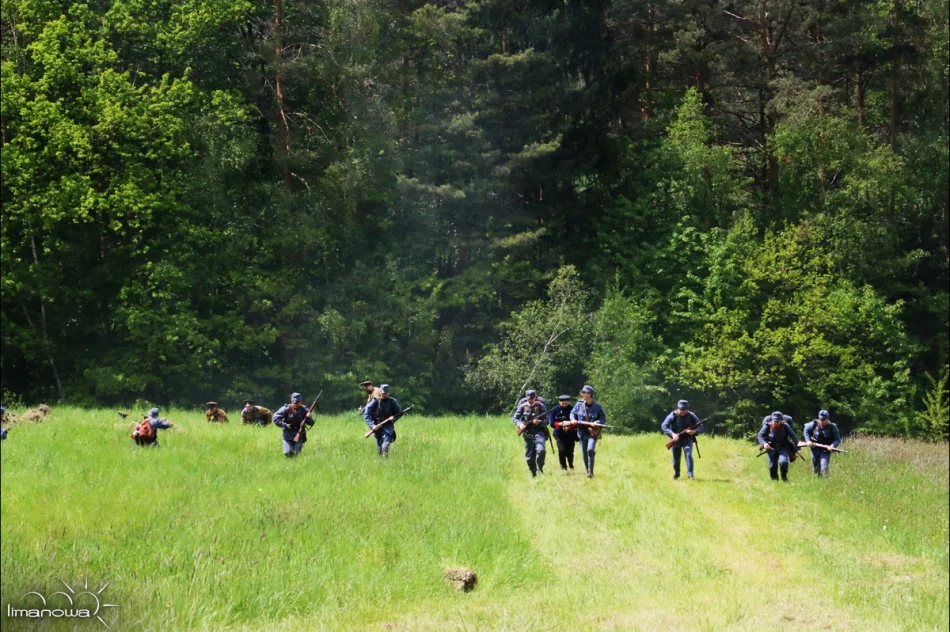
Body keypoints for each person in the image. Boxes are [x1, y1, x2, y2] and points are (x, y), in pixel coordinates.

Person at [661, 399, 704, 480]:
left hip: (687, 439)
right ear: (678, 408)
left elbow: (701, 426)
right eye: (680, 409)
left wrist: (694, 431)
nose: (682, 411)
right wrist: (672, 434)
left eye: (684, 409)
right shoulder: (672, 415)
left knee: (688, 455)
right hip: (676, 440)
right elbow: (664, 426)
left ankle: (690, 475)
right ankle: (677, 474)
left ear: (688, 409)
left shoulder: (691, 415)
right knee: (676, 459)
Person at [571, 385, 607, 478]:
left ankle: (591, 471)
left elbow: (603, 418)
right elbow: (572, 413)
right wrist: (573, 420)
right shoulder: (579, 404)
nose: (582, 394)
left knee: (590, 450)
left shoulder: (597, 407)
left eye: (584, 392)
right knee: (584, 454)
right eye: (582, 392)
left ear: (589, 394)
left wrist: (597, 422)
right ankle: (588, 471)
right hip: (582, 432)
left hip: (592, 433)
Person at [513, 389, 549, 476]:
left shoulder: (541, 406)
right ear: (526, 397)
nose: (530, 400)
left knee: (541, 450)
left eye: (532, 398)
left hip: (539, 431)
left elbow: (547, 419)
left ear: (535, 397)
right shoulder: (522, 406)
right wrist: (520, 425)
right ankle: (533, 471)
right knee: (529, 456)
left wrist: (540, 422)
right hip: (527, 433)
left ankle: (540, 467)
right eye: (529, 398)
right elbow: (515, 418)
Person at [757, 411, 800, 482]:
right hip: (771, 448)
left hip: (783, 447)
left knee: (784, 462)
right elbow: (760, 435)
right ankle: (775, 481)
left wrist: (798, 448)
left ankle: (784, 477)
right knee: (772, 466)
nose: (776, 423)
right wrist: (764, 443)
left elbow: (794, 437)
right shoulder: (767, 425)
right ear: (772, 420)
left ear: (781, 420)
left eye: (778, 421)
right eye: (775, 421)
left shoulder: (786, 426)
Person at [363, 384, 401, 457]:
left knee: (385, 445)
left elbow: (399, 413)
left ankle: (385, 458)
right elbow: (366, 414)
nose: (384, 395)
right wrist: (372, 425)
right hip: (377, 425)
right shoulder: (375, 401)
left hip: (388, 425)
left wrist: (393, 418)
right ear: (380, 392)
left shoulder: (393, 402)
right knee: (379, 446)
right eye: (383, 393)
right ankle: (381, 461)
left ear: (388, 393)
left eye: (385, 393)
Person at [273, 393, 315, 457]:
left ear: (300, 401)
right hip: (288, 434)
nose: (295, 404)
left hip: (299, 433)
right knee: (287, 453)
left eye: (297, 402)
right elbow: (275, 418)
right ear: (291, 401)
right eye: (294, 402)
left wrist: (308, 417)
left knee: (296, 455)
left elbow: (311, 423)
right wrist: (285, 425)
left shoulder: (304, 409)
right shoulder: (286, 408)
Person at [802, 410, 842, 477]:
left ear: (827, 418)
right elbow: (806, 430)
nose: (822, 421)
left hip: (826, 449)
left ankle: (825, 481)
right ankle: (816, 481)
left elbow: (837, 440)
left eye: (823, 419)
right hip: (815, 447)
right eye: (820, 419)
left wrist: (832, 446)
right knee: (816, 467)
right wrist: (808, 440)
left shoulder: (833, 426)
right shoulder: (814, 424)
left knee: (824, 466)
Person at [549, 395, 577, 471]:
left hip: (570, 433)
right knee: (561, 450)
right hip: (559, 433)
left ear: (568, 402)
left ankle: (570, 464)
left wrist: (569, 427)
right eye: (562, 403)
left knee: (570, 450)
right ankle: (563, 466)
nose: (564, 405)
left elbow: (576, 422)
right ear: (559, 402)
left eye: (566, 403)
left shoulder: (572, 409)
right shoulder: (555, 410)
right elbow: (552, 423)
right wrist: (560, 424)